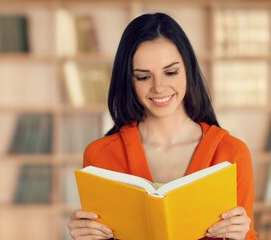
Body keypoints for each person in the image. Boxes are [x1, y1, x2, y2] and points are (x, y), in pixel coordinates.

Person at [68, 12, 257, 240]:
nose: (159, 87)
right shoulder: (100, 156)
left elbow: (248, 235)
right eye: (143, 77)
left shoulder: (231, 153)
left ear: (188, 68)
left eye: (171, 72)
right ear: (128, 80)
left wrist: (241, 236)